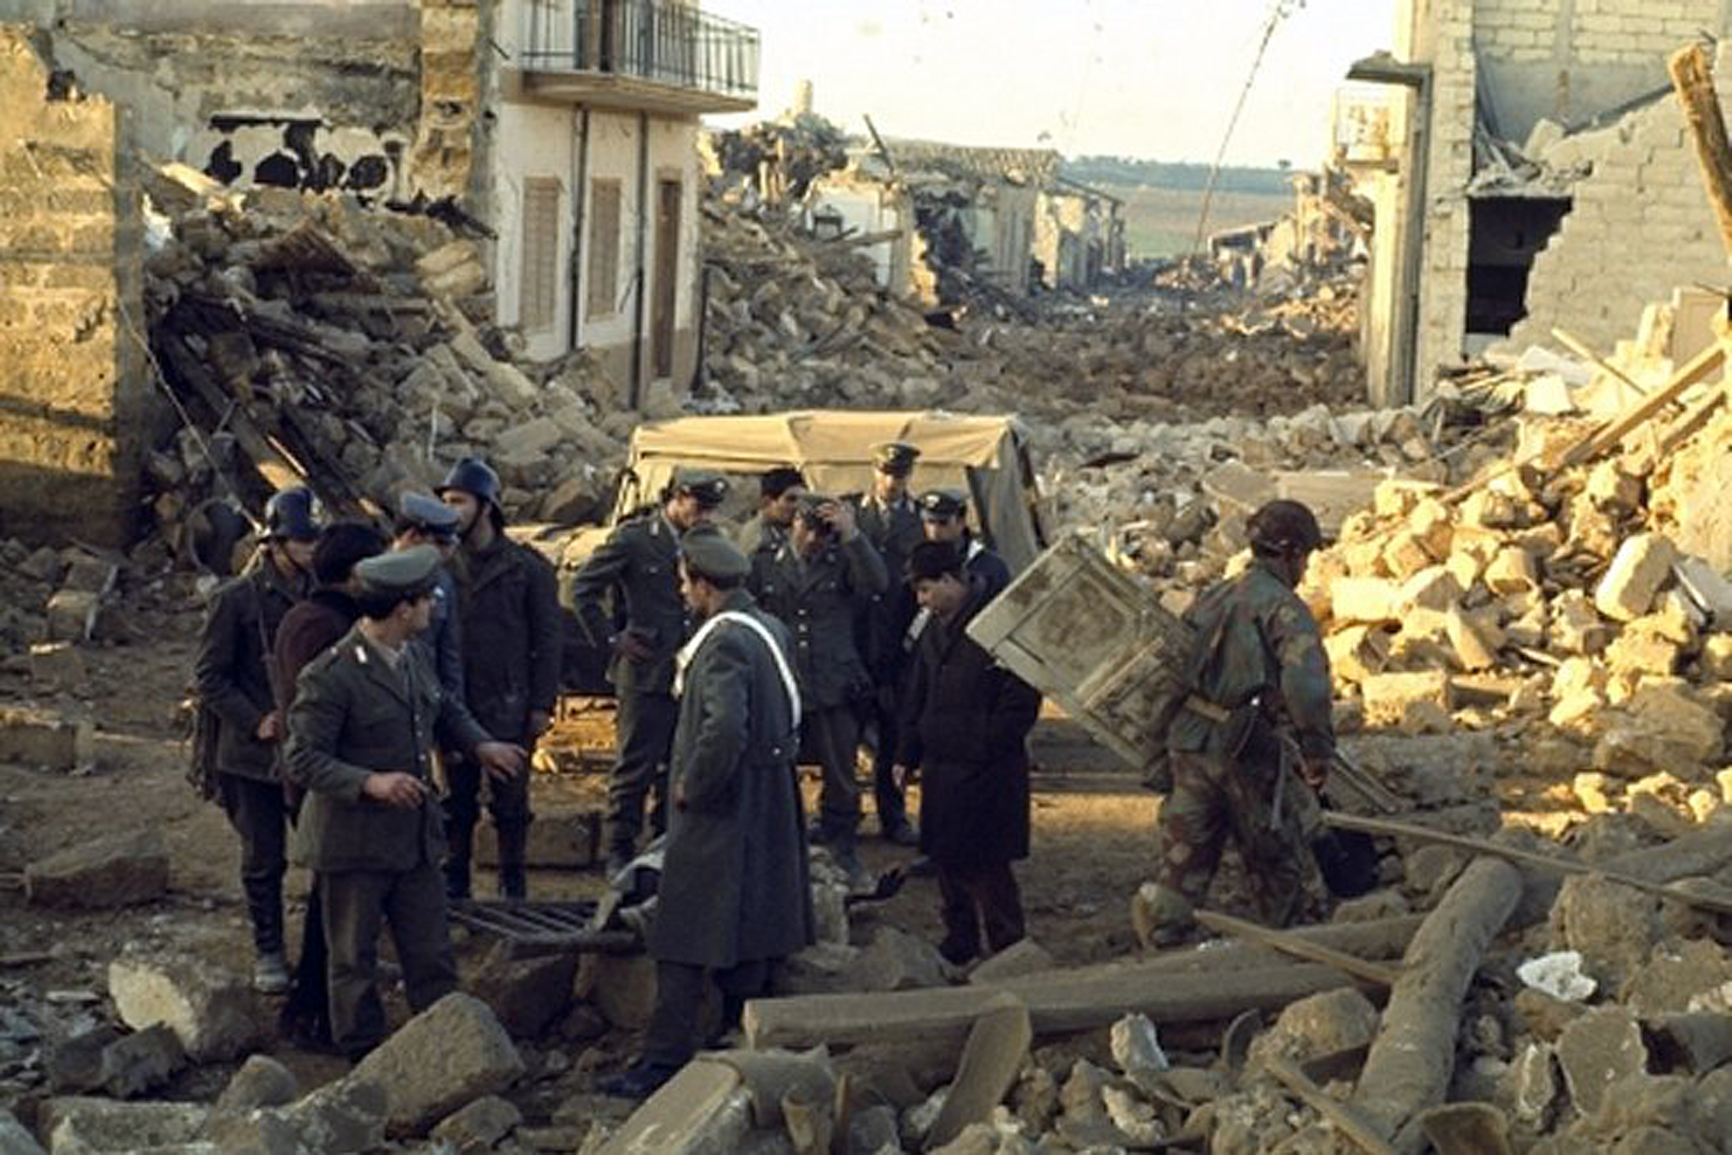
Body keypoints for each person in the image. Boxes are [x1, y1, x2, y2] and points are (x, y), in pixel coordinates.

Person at [284, 546, 526, 1062]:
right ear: (402, 610)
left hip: (412, 841)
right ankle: (365, 1061)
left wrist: (481, 745)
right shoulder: (331, 675)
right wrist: (369, 782)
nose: (435, 607)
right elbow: (301, 757)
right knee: (352, 961)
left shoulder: (412, 656)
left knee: (432, 955)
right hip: (353, 845)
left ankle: (448, 1056)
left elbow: (443, 710)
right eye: (426, 600)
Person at [598, 532, 813, 1100]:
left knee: (685, 931)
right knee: (752, 921)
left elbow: (724, 727)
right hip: (768, 796)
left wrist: (693, 783)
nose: (680, 591)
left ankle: (663, 1059)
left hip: (724, 804)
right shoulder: (771, 629)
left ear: (702, 583)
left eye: (684, 582)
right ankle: (738, 1035)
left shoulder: (723, 645)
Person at [1133, 499, 1335, 949]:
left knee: (1184, 857)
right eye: (1305, 555)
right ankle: (1293, 955)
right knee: (1277, 858)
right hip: (1247, 750)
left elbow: (1169, 672)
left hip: (1189, 744)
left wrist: (1155, 750)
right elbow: (1307, 687)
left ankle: (1165, 949)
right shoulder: (1285, 609)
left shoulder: (1215, 595)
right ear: (1289, 552)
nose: (1305, 567)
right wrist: (1317, 752)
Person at [571, 468, 730, 875]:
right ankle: (620, 846)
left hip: (691, 671)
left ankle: (666, 842)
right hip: (646, 672)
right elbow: (582, 588)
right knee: (634, 765)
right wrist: (612, 638)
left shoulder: (709, 544)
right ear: (676, 497)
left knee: (679, 762)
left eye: (712, 508)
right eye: (699, 505)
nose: (705, 515)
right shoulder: (636, 539)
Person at [194, 485, 320, 994]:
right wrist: (254, 721)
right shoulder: (236, 600)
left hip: (309, 750)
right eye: (303, 539)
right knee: (264, 857)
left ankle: (322, 949)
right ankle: (268, 948)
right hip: (253, 755)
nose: (311, 549)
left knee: (326, 851)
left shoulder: (323, 594)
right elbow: (210, 676)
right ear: (276, 542)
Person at [893, 541, 1042, 966]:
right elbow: (917, 693)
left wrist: (978, 743)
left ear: (950, 581)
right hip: (943, 768)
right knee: (947, 860)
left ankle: (1008, 948)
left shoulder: (999, 627)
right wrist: (907, 751)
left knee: (988, 866)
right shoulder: (932, 629)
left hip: (987, 771)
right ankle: (960, 940)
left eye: (926, 590)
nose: (922, 601)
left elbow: (1020, 704)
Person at [269, 520, 386, 1049]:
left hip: (331, 778)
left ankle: (314, 1006)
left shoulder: (316, 616)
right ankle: (314, 1011)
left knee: (333, 905)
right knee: (332, 909)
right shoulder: (322, 624)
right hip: (328, 782)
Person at [436, 459, 562, 900]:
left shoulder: (527, 568)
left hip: (509, 700)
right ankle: (456, 884)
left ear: (485, 506)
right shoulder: (443, 566)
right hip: (455, 698)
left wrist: (542, 705)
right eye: (446, 501)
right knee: (456, 802)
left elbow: (548, 640)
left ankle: (513, 883)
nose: (450, 510)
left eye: (459, 501)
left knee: (510, 805)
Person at [749, 492, 887, 877]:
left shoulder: (843, 561)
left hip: (833, 683)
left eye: (823, 534)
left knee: (840, 769)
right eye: (808, 529)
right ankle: (780, 840)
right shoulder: (765, 563)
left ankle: (842, 842)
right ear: (794, 523)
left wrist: (853, 535)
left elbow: (877, 583)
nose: (813, 540)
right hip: (786, 682)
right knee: (775, 765)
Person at [851, 442, 925, 848]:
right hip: (854, 637)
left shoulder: (919, 521)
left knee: (894, 733)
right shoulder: (852, 514)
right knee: (843, 732)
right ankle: (839, 812)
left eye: (899, 475)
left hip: (898, 640)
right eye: (885, 473)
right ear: (874, 471)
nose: (891, 482)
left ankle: (892, 814)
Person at [392, 493, 465, 702]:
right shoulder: (373, 578)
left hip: (427, 698)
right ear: (414, 536)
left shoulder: (442, 582)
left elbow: (449, 656)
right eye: (440, 543)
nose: (449, 552)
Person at [917, 488, 1011, 599]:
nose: (934, 532)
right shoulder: (918, 565)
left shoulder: (990, 567)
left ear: (961, 522)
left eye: (943, 523)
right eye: (929, 522)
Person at [736, 465, 805, 561]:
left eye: (801, 500)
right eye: (790, 499)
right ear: (767, 501)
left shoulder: (789, 530)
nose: (797, 506)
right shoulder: (756, 536)